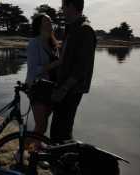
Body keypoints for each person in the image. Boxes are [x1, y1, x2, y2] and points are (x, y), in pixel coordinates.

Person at [51, 0, 97, 144]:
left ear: (71, 6)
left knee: (60, 133)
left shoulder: (84, 30)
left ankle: (64, 164)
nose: (62, 11)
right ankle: (66, 161)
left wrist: (64, 87)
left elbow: (83, 67)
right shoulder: (74, 29)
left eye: (63, 7)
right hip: (65, 88)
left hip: (70, 89)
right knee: (62, 130)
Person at [21, 13, 62, 167]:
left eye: (51, 20)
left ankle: (36, 155)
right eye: (47, 20)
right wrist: (58, 62)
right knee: (42, 128)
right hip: (37, 88)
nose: (50, 22)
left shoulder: (54, 44)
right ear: (39, 25)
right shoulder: (33, 43)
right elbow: (34, 69)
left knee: (40, 127)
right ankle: (20, 149)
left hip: (51, 89)